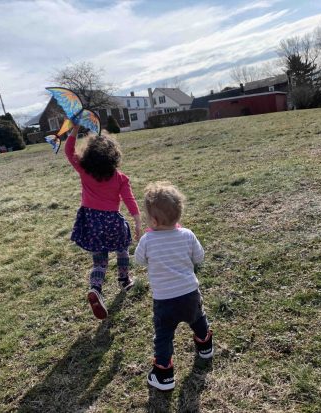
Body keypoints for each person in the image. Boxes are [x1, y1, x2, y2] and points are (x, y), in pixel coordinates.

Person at [135, 182, 213, 391]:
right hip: (189, 294)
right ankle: (205, 345)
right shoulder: (187, 235)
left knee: (163, 336)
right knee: (198, 319)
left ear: (153, 220)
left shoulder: (147, 240)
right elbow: (199, 257)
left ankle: (164, 374)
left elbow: (139, 260)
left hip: (164, 301)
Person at [65, 124, 141, 320]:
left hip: (91, 223)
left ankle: (95, 288)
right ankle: (124, 279)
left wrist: (74, 129)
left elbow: (68, 150)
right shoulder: (120, 178)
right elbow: (129, 199)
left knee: (100, 261)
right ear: (113, 156)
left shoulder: (83, 169)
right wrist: (137, 220)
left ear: (88, 154)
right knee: (123, 247)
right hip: (113, 222)